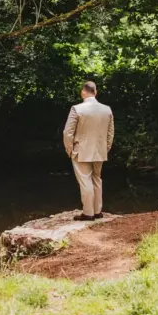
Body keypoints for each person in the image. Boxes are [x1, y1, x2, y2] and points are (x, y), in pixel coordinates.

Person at [62, 80, 114, 221]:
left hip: (81, 151)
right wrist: (106, 148)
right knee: (97, 179)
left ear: (83, 92)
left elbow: (68, 132)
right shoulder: (107, 109)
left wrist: (70, 149)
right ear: (95, 92)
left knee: (85, 181)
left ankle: (88, 213)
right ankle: (98, 211)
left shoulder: (77, 109)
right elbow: (110, 133)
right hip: (100, 151)